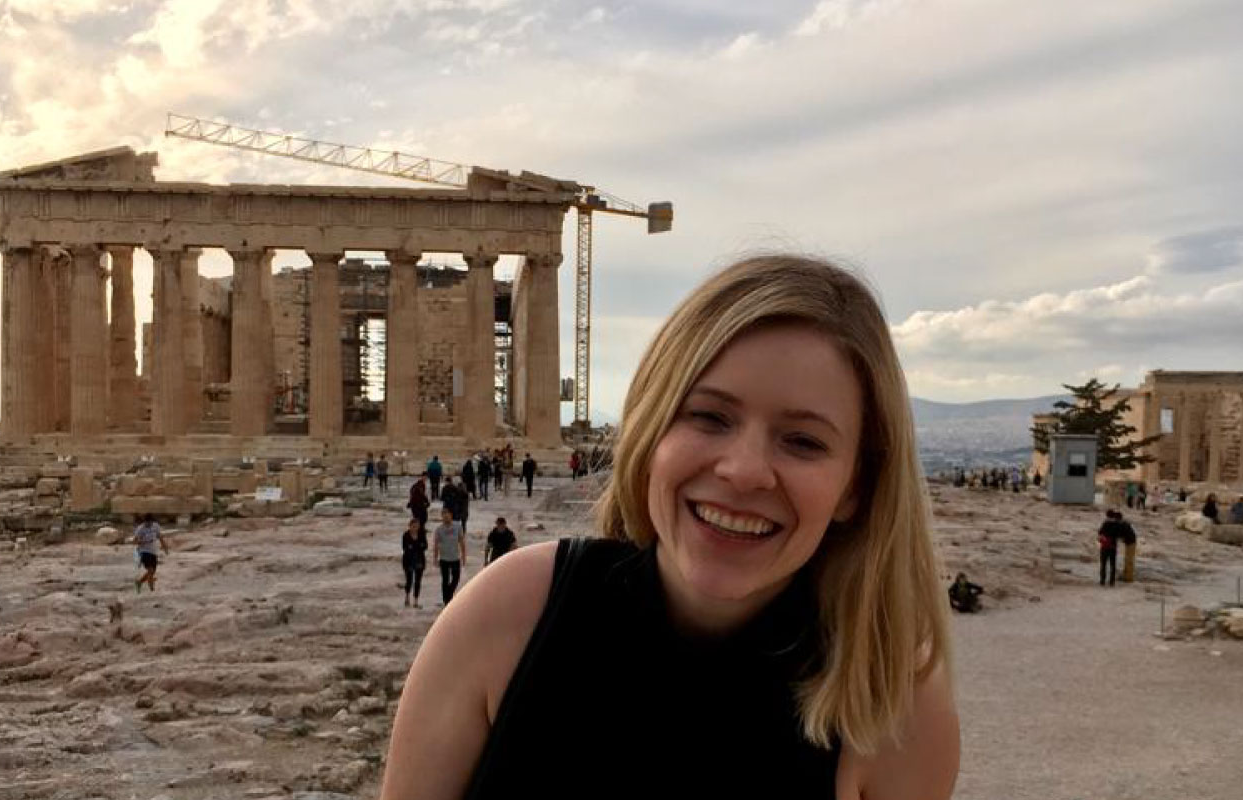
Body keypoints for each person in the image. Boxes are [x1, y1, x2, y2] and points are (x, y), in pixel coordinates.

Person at [380, 255, 959, 799]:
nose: (743, 471)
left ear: (856, 486)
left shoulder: (893, 703)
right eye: (709, 416)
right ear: (651, 433)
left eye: (803, 441)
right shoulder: (508, 616)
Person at [432, 507, 466, 605]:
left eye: (447, 514)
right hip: (444, 558)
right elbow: (436, 544)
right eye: (443, 515)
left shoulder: (458, 526)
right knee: (445, 580)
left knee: (456, 578)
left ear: (451, 515)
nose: (445, 516)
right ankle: (446, 601)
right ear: (442, 517)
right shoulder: (439, 529)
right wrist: (435, 558)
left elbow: (461, 541)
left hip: (455, 557)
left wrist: (464, 556)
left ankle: (449, 594)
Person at [133, 514, 169, 593]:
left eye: (150, 523)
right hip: (144, 551)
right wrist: (144, 541)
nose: (148, 524)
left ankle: (139, 582)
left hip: (153, 551)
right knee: (150, 570)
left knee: (152, 572)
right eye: (147, 523)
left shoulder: (155, 526)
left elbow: (160, 537)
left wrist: (165, 547)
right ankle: (152, 590)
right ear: (144, 522)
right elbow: (134, 541)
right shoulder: (140, 529)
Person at [401, 518, 427, 608]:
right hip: (408, 561)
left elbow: (425, 546)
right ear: (410, 526)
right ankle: (407, 597)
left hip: (420, 560)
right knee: (409, 580)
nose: (415, 528)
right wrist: (418, 546)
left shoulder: (421, 534)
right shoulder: (405, 535)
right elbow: (405, 548)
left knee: (418, 581)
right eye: (413, 526)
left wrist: (413, 546)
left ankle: (416, 601)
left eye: (417, 526)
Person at [1097, 509, 1120, 587]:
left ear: (1107, 515)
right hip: (1113, 546)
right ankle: (1112, 581)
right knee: (1113, 564)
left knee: (1103, 564)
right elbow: (1119, 535)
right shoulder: (1117, 524)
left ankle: (1102, 580)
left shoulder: (1105, 523)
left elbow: (1100, 532)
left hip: (1105, 546)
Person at [1118, 512, 1138, 583]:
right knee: (1127, 559)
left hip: (1131, 543)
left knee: (1129, 560)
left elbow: (1122, 534)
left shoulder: (1123, 525)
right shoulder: (1124, 523)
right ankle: (1126, 575)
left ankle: (1129, 578)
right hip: (1130, 542)